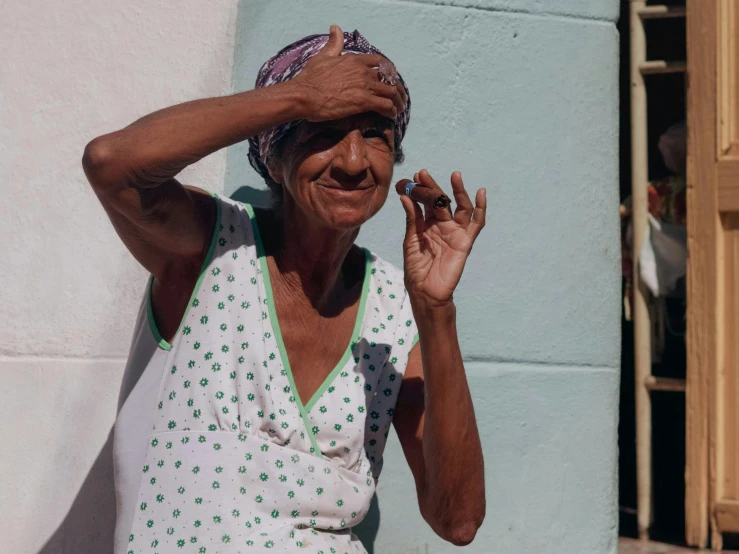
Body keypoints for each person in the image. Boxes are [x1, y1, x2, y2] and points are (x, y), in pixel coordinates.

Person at [83, 25, 486, 554]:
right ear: (273, 158)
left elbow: (457, 521)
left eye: (375, 136)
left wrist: (436, 310)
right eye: (320, 132)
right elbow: (111, 164)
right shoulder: (211, 249)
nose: (352, 162)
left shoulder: (395, 307)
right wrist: (298, 96)